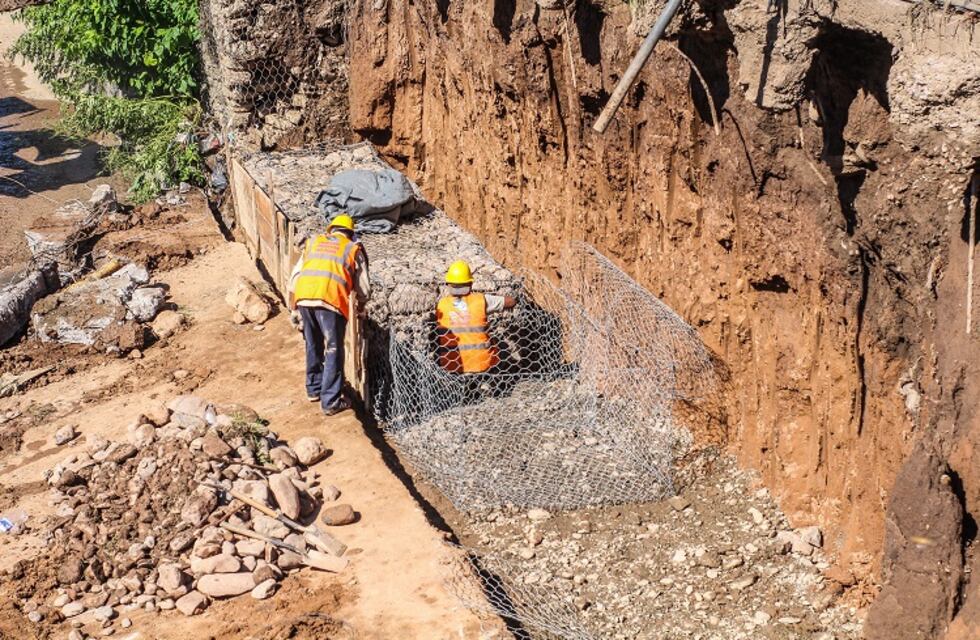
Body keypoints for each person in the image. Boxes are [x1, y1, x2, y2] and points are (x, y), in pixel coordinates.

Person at [288, 214, 370, 416]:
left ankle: (314, 389)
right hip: (330, 301)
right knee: (334, 348)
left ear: (331, 229)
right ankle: (331, 401)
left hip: (304, 297)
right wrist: (361, 306)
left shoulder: (314, 243)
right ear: (351, 233)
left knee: (312, 343)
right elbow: (364, 289)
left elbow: (295, 277)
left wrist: (294, 308)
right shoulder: (352, 248)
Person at [435, 260, 516, 374]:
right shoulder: (481, 300)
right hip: (482, 363)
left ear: (448, 284)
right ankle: (490, 383)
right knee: (502, 348)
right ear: (470, 284)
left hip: (452, 365)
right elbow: (510, 302)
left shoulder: (441, 305)